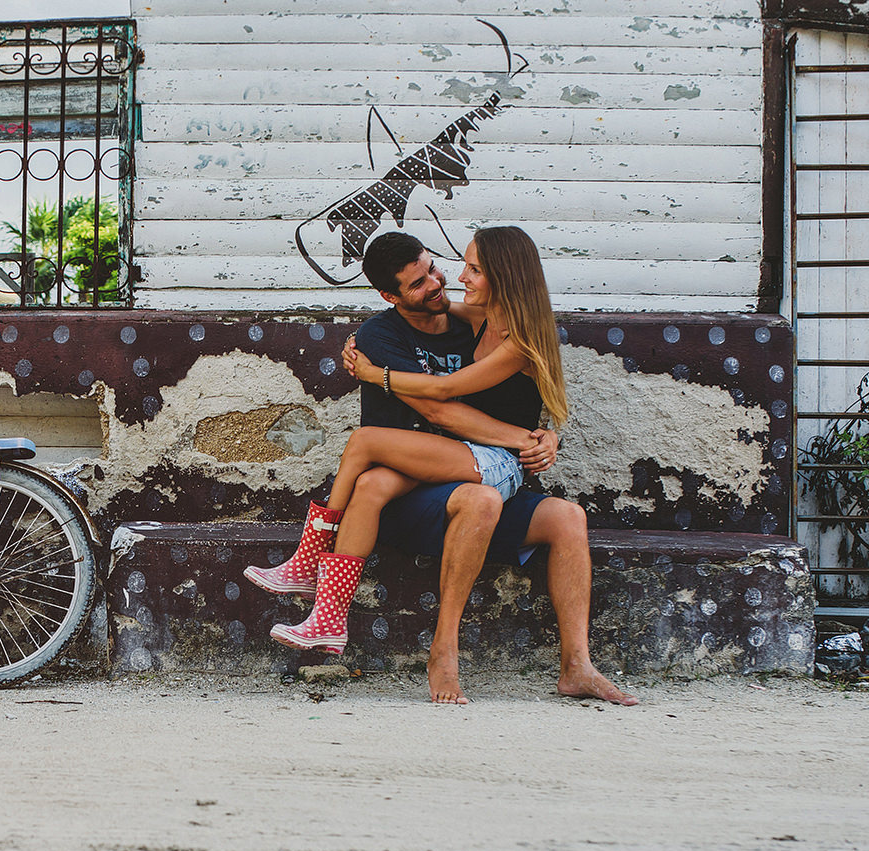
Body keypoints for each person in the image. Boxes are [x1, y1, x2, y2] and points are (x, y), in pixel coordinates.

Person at [247, 228, 636, 706]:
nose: (444, 281)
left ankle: (578, 666)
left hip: (480, 471)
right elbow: (438, 408)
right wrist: (520, 437)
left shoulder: (483, 324)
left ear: (500, 279)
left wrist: (544, 435)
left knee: (568, 517)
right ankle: (442, 651)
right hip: (415, 496)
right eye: (422, 281)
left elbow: (521, 391)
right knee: (445, 489)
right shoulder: (382, 333)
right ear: (391, 296)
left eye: (446, 269)